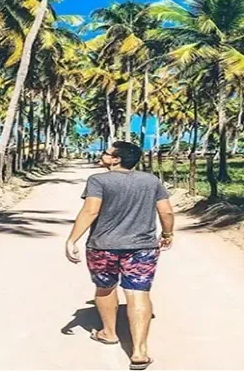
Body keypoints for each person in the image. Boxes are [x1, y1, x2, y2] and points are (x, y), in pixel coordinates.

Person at [65, 141, 175, 370]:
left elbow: (91, 210)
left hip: (102, 246)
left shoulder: (98, 180)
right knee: (138, 292)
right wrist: (167, 233)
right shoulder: (151, 181)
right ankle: (140, 351)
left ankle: (109, 332)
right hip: (142, 247)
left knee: (105, 287)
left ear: (116, 159)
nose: (102, 155)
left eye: (106, 152)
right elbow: (166, 210)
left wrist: (72, 239)